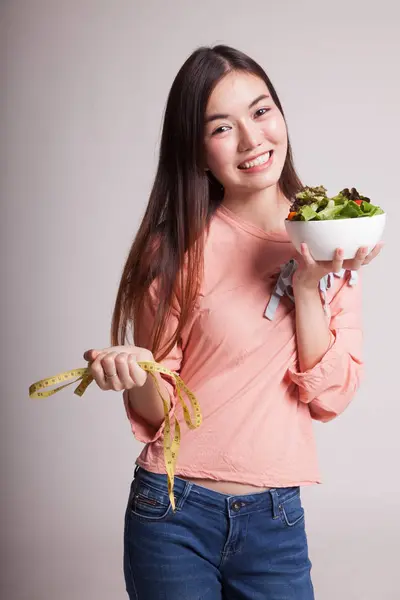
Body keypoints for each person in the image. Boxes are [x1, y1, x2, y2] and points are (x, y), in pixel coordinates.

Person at [83, 45, 382, 600]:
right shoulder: (174, 247)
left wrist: (306, 287)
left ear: (281, 115)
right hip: (171, 512)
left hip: (275, 519)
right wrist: (138, 369)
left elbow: (332, 398)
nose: (252, 140)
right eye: (222, 127)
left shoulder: (336, 234)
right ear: (196, 152)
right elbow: (160, 407)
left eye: (262, 111)